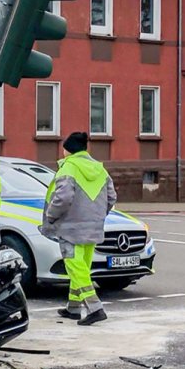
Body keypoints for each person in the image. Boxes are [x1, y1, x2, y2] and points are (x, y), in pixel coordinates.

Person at [41, 131, 117, 326]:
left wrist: (51, 215)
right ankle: (73, 308)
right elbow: (111, 197)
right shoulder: (100, 169)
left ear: (67, 150)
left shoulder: (69, 168)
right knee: (82, 267)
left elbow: (63, 198)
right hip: (93, 227)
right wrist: (98, 216)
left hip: (70, 228)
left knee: (76, 269)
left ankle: (95, 308)